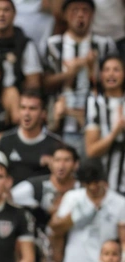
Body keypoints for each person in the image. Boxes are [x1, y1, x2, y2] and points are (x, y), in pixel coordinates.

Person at [43, 0, 117, 157]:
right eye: (74, 10)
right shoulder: (54, 44)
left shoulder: (104, 45)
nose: (80, 15)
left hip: (98, 125)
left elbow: (115, 84)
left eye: (85, 10)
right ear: (65, 15)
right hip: (63, 123)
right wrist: (69, 73)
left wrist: (92, 69)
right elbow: (45, 83)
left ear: (92, 15)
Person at [49, 161, 125, 262]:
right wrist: (73, 217)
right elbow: (56, 232)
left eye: (96, 182)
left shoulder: (119, 203)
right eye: (88, 183)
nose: (93, 186)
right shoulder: (72, 198)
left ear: (103, 179)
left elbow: (124, 241)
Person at [0, 90, 66, 185]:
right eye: (23, 108)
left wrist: (55, 166)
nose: (26, 113)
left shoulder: (56, 144)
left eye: (32, 109)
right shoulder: (4, 140)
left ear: (43, 113)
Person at [85, 55, 125, 195]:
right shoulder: (95, 103)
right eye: (106, 69)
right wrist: (115, 132)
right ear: (101, 75)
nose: (111, 74)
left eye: (116, 69)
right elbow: (91, 151)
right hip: (106, 184)